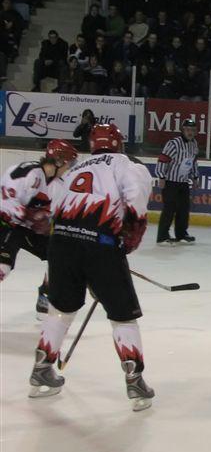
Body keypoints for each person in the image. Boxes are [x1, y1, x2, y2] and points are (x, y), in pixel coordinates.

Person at [27, 123, 155, 412]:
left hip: (60, 245)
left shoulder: (74, 170)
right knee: (122, 315)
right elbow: (136, 204)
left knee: (60, 309)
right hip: (100, 244)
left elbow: (54, 211)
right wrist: (128, 243)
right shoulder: (126, 165)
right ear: (118, 143)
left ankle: (42, 367)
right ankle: (135, 380)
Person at [0, 140, 78, 317]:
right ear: (59, 161)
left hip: (28, 229)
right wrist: (28, 215)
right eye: (69, 163)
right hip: (7, 225)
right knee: (2, 266)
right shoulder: (29, 172)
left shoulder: (58, 185)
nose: (69, 167)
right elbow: (4, 203)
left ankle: (46, 295)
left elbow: (55, 215)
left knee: (60, 252)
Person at [155, 119, 199, 245]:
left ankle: (181, 234)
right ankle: (162, 236)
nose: (190, 132)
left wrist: (195, 177)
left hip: (183, 182)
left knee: (184, 209)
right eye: (188, 130)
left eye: (193, 130)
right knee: (169, 209)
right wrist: (161, 177)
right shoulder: (174, 143)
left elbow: (193, 162)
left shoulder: (194, 144)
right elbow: (163, 160)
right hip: (170, 182)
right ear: (183, 130)